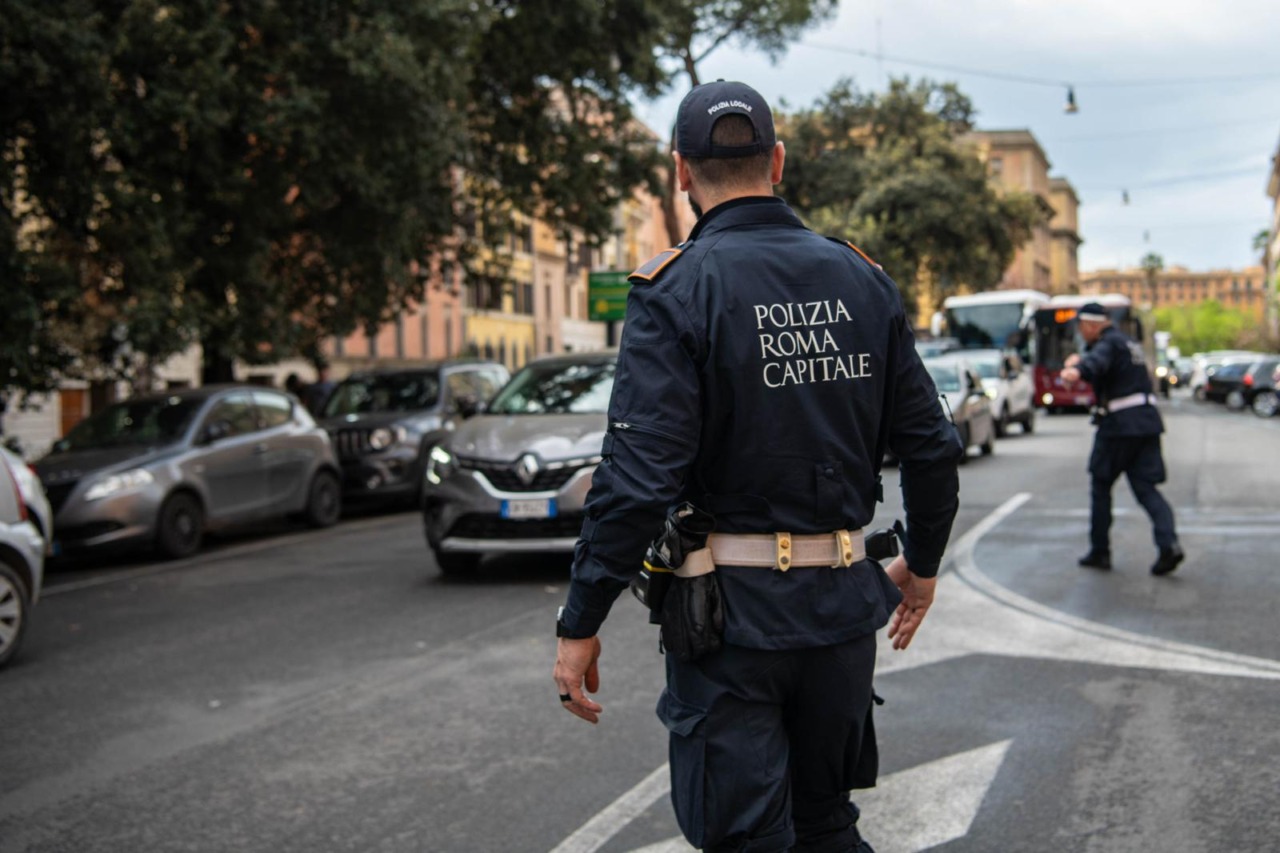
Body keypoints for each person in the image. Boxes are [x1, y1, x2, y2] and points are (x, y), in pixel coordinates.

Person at [551, 80, 962, 853]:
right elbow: (932, 445)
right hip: (841, 613)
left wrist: (581, 620)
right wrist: (925, 561)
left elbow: (638, 479)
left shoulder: (675, 288)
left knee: (747, 838)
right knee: (827, 824)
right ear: (777, 160)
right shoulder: (860, 278)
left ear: (681, 172)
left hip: (729, 626)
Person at [1061, 303, 1184, 575]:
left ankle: (1100, 551)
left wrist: (1076, 371)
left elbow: (1097, 362)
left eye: (1081, 327)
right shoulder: (1129, 342)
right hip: (1146, 422)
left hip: (1119, 426)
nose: (1081, 333)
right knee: (1147, 490)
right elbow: (1097, 359)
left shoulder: (1108, 343)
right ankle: (1169, 545)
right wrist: (1079, 362)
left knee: (1100, 486)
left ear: (1092, 324)